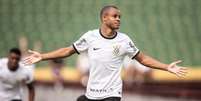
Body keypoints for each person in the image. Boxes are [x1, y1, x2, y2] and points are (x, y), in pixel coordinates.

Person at [23, 5, 187, 101]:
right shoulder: (90, 36)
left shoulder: (124, 40)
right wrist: (42, 56)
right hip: (91, 93)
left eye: (120, 17)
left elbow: (143, 59)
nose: (118, 19)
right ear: (104, 19)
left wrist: (167, 67)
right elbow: (68, 50)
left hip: (112, 94)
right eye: (115, 16)